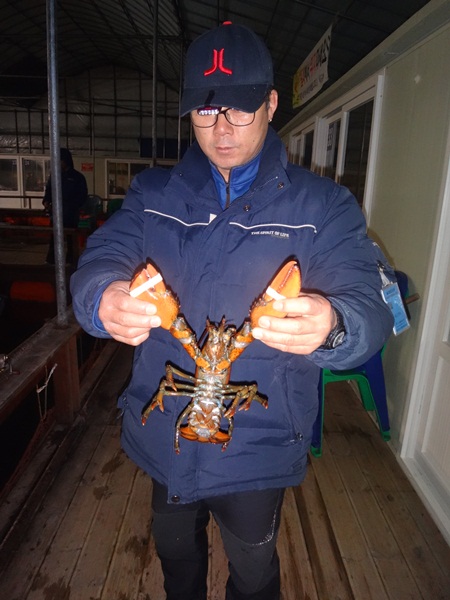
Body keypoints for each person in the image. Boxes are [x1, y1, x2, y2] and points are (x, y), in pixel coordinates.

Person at [70, 23, 395, 600]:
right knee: (176, 559)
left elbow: (369, 310)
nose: (221, 129)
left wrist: (335, 324)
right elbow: (102, 258)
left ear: (270, 104)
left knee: (253, 574)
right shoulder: (151, 194)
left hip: (257, 452)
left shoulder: (325, 206)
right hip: (167, 441)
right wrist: (102, 296)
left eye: (239, 109)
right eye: (205, 111)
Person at [43, 147, 88, 264]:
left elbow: (82, 195)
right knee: (54, 238)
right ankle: (51, 260)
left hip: (70, 214)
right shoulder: (54, 176)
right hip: (56, 214)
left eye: (59, 160)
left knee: (71, 238)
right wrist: (46, 201)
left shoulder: (77, 177)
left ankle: (71, 261)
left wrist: (72, 206)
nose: (57, 163)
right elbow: (49, 190)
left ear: (65, 161)